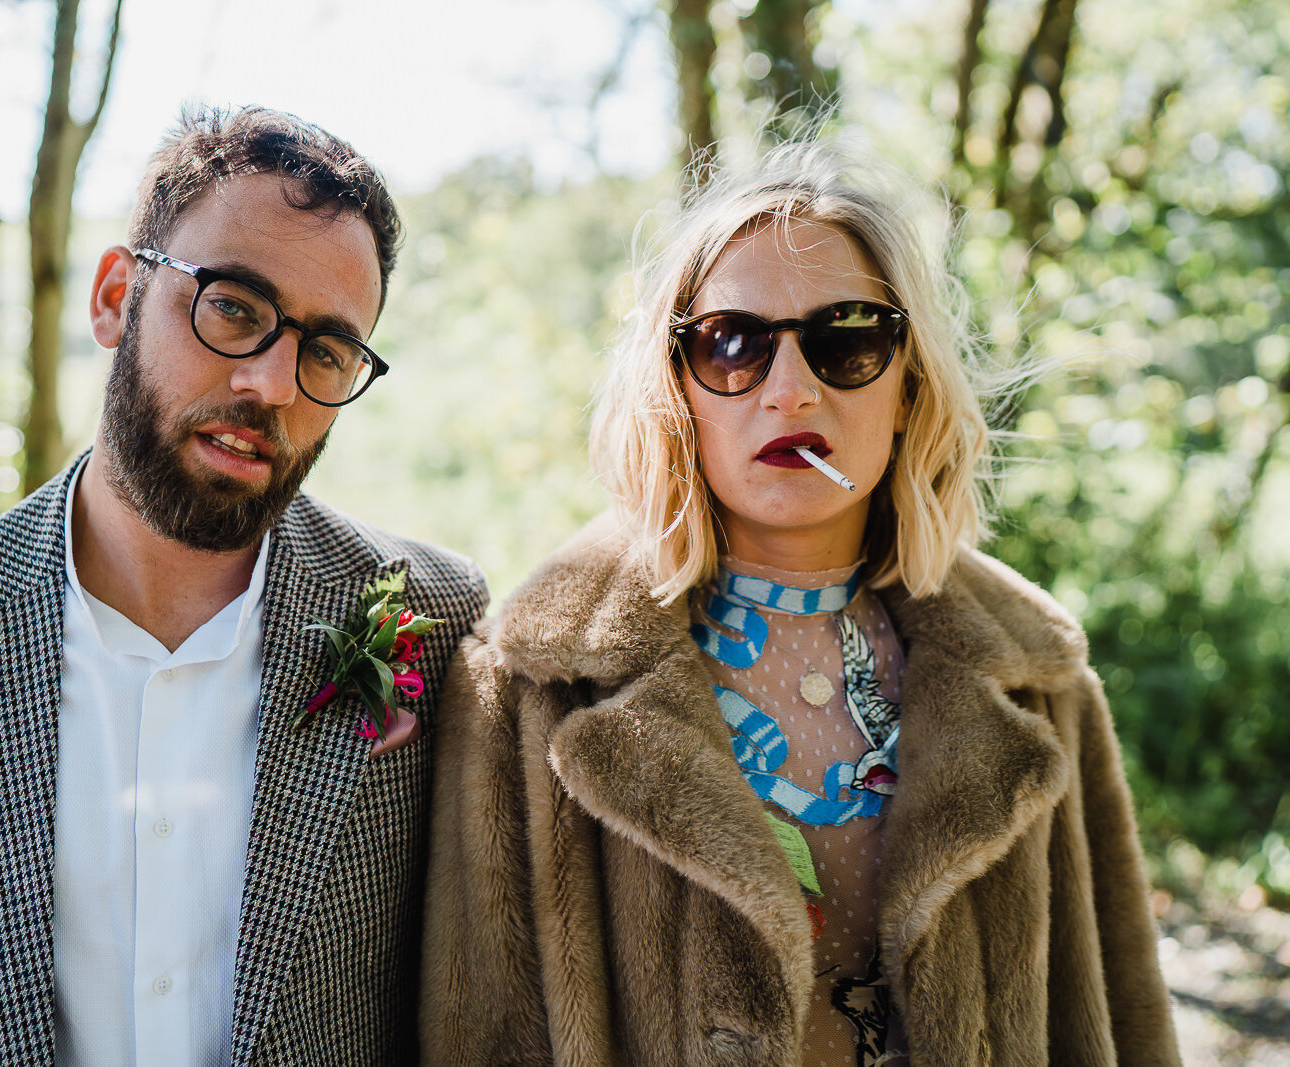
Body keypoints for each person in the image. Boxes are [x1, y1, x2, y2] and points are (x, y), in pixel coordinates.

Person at [0, 106, 488, 1066]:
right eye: (233, 305)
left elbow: (481, 1006)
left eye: (327, 351)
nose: (270, 382)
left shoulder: (435, 619)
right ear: (113, 296)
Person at [420, 141, 1179, 1065]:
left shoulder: (1038, 677)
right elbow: (483, 1031)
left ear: (908, 386)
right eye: (730, 344)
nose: (790, 390)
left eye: (848, 337)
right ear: (676, 388)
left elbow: (1120, 1019)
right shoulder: (529, 685)